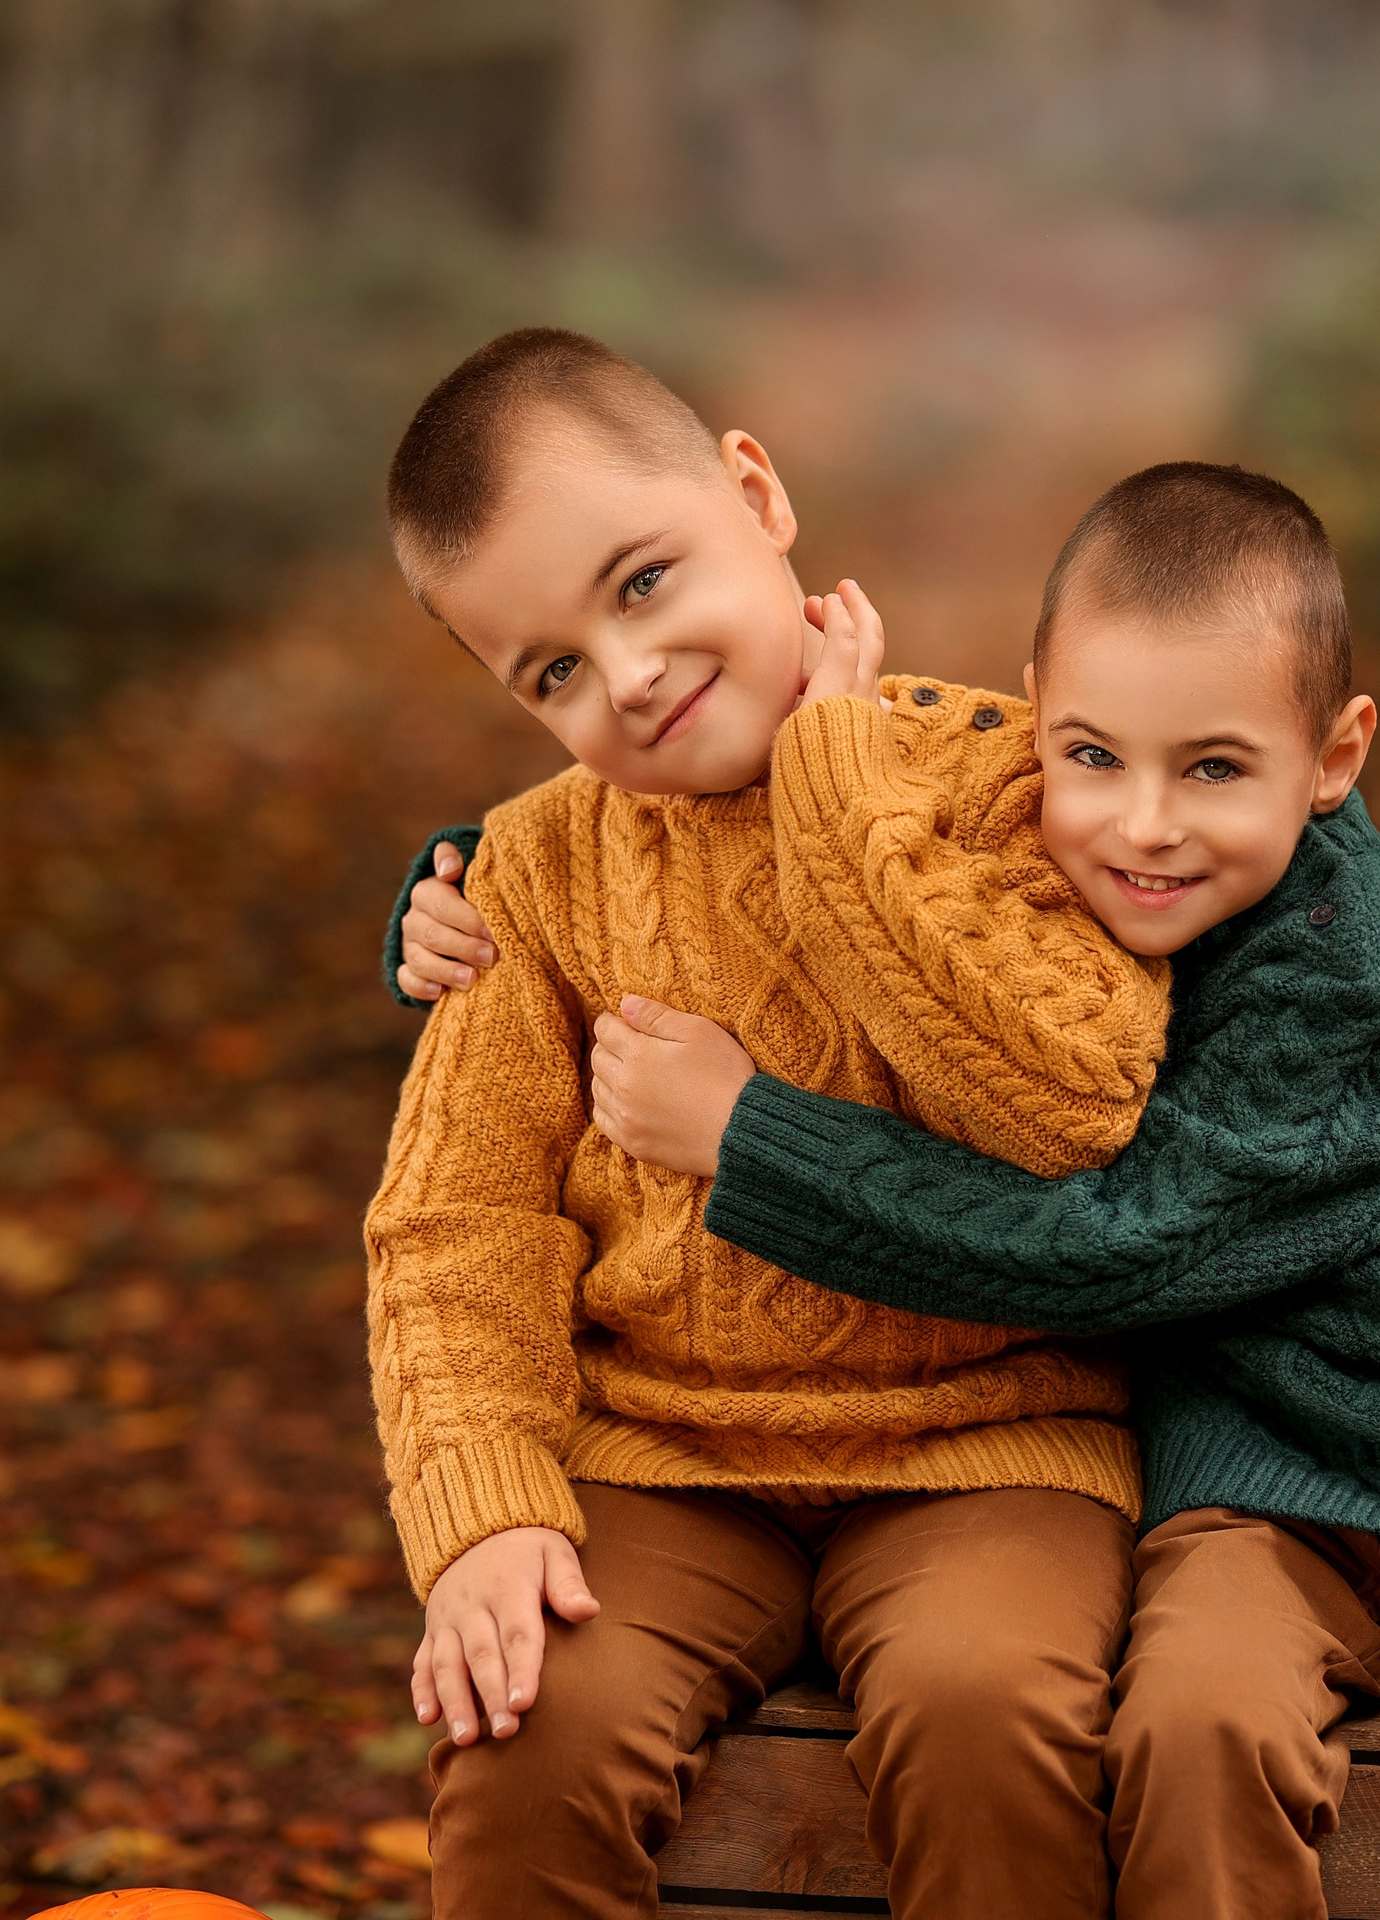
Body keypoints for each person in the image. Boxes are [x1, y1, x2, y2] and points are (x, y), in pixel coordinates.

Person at [393, 460, 1380, 1920]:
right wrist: (455, 880)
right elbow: (689, 846)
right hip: (1256, 1483)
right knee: (1193, 1731)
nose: (1140, 827)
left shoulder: (1362, 990)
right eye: (1092, 760)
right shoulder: (1051, 812)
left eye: (1213, 768)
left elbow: (1107, 1238)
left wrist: (754, 1135)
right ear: (1042, 728)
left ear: (1333, 760)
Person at [366, 326, 1180, 1920]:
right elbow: (456, 1223)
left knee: (988, 1713)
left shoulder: (1004, 784)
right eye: (552, 672)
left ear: (756, 491)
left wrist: (830, 791)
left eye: (644, 583)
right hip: (662, 1456)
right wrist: (481, 1513)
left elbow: (1065, 1104)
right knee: (531, 1728)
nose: (629, 677)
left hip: (987, 1439)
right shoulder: (526, 879)